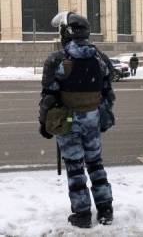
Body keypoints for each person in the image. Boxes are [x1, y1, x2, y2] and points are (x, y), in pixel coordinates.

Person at [38, 12, 115, 228]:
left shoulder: (56, 59)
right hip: (93, 119)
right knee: (95, 164)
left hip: (68, 122)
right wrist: (103, 116)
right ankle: (105, 209)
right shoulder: (100, 57)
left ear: (66, 32)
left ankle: (82, 214)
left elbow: (49, 97)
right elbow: (108, 91)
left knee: (75, 168)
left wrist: (44, 123)